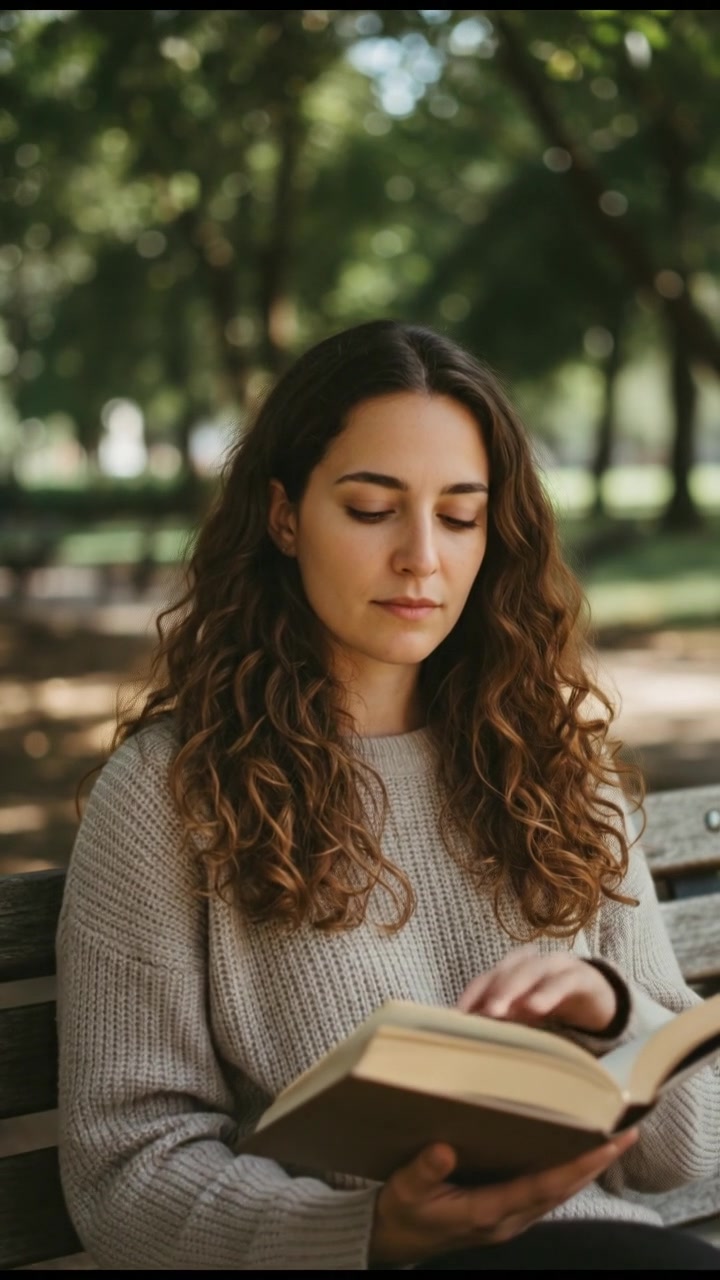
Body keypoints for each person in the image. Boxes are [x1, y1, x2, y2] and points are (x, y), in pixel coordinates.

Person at [56, 320, 720, 1270]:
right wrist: (367, 1233)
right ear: (284, 516)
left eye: (460, 516)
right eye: (372, 510)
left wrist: (614, 1016)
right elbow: (125, 1173)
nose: (422, 557)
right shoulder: (173, 795)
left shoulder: (558, 767)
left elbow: (691, 1148)